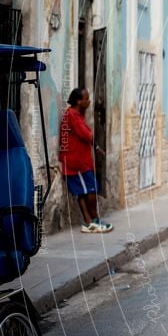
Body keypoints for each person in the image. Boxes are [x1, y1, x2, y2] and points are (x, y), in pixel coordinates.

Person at [59, 88, 113, 233]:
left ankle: (89, 222)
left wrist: (95, 147)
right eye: (86, 99)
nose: (89, 101)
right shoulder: (73, 115)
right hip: (77, 163)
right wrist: (95, 144)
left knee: (82, 192)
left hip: (76, 161)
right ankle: (94, 220)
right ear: (78, 101)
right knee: (90, 189)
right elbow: (86, 134)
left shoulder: (75, 114)